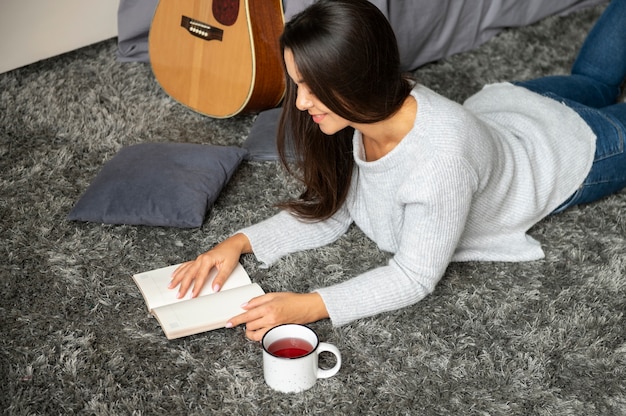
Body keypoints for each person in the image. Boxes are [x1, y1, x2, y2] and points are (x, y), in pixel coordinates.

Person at [171, 0, 626, 341]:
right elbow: (339, 206)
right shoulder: (371, 105)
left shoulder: (438, 164)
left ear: (358, 78)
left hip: (570, 152)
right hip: (518, 106)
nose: (301, 102)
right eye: (298, 85)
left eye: (312, 88)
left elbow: (414, 276)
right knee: (597, 83)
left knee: (598, 88)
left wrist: (309, 306)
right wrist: (237, 243)